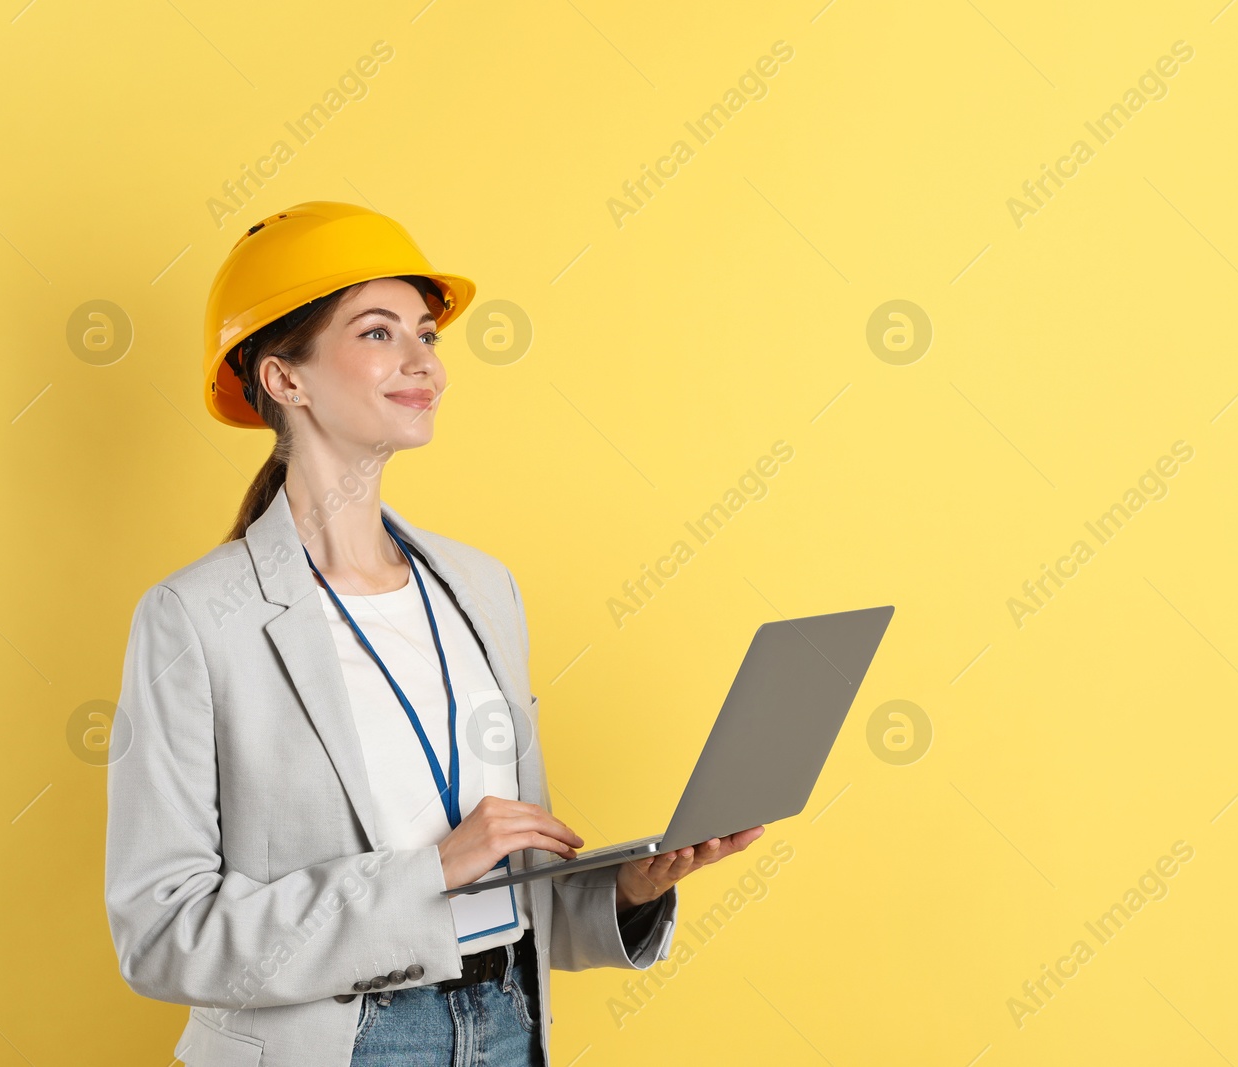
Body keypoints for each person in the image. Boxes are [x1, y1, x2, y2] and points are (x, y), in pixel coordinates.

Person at [103, 201, 764, 1067]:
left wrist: (628, 891)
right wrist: (428, 871)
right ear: (283, 378)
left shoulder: (482, 589)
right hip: (342, 1044)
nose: (426, 364)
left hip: (508, 1025)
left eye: (426, 334)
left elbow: (503, 882)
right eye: (379, 334)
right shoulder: (194, 618)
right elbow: (162, 932)